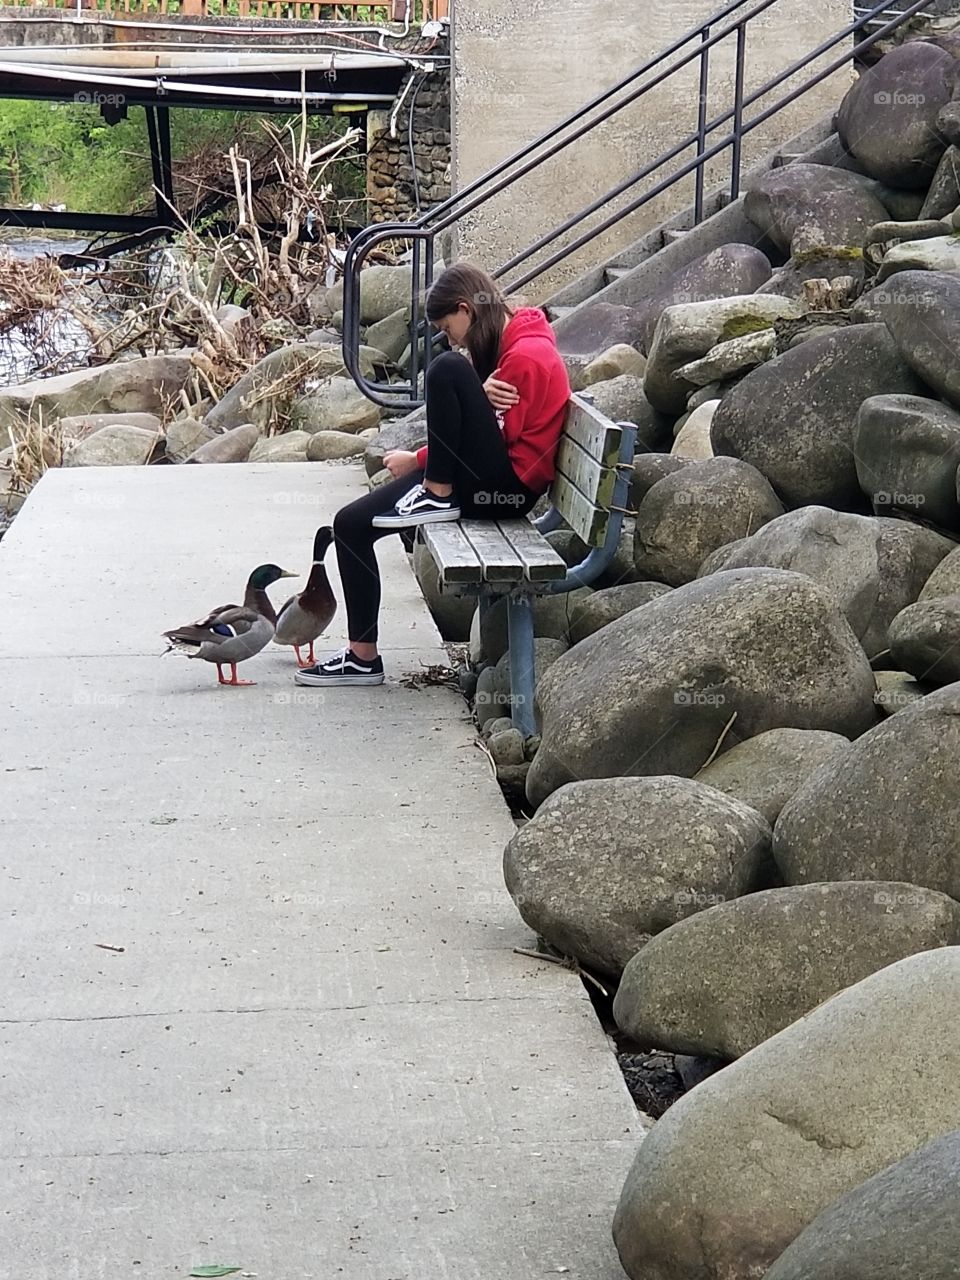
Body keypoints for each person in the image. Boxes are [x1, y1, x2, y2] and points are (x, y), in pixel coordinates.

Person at [295, 262, 571, 687]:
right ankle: (362, 657)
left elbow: (496, 442)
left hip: (505, 490)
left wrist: (439, 455)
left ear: (466, 309)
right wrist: (421, 458)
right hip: (479, 476)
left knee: (447, 368)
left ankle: (436, 493)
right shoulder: (509, 343)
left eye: (448, 326)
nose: (450, 337)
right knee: (350, 525)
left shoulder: (527, 357)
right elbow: (475, 435)